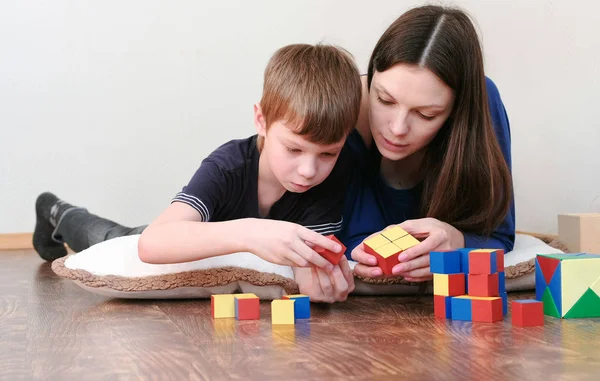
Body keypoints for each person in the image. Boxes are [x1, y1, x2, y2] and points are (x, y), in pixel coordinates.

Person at [33, 43, 362, 303]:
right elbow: (153, 243)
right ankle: (56, 211)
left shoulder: (333, 173)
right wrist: (252, 233)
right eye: (293, 149)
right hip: (183, 238)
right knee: (115, 239)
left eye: (327, 153)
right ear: (260, 121)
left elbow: (310, 269)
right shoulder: (227, 166)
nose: (308, 170)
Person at [338, 5, 515, 283]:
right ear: (371, 77)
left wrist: (458, 240)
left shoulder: (482, 104)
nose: (397, 129)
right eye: (385, 100)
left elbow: (500, 236)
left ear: (456, 111)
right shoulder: (342, 108)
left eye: (426, 114)